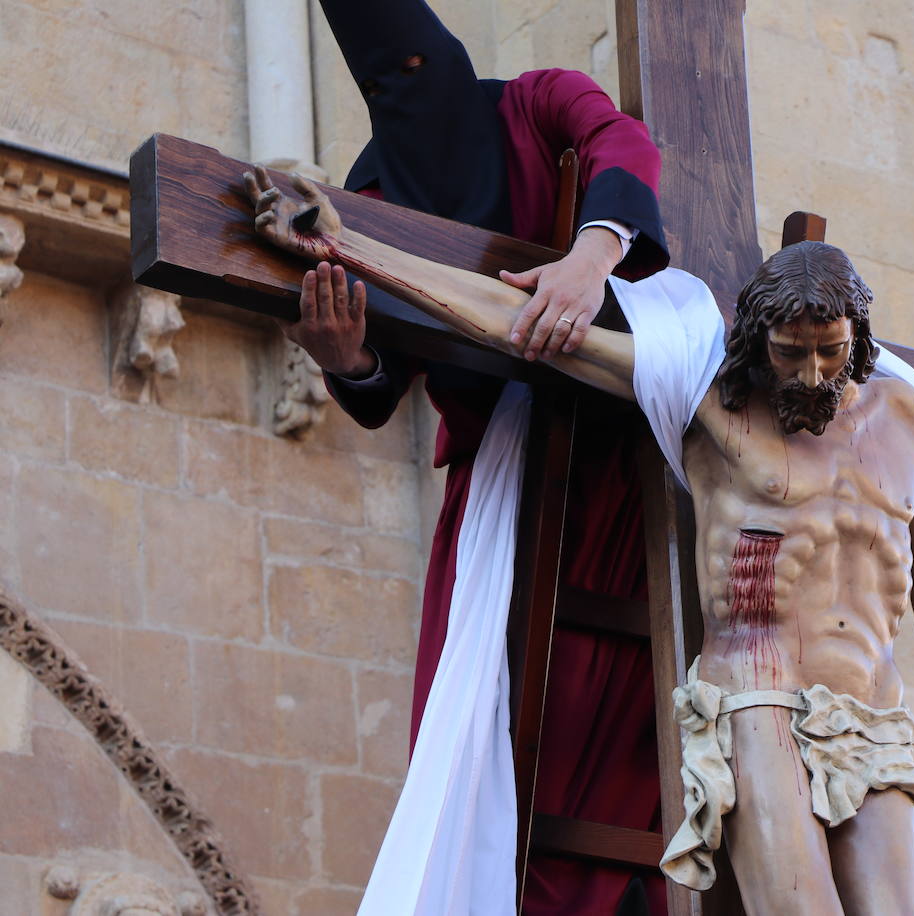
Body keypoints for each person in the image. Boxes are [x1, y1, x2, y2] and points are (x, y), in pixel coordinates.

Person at [245, 171, 914, 914]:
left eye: (830, 352)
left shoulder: (913, 418)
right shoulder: (705, 391)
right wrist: (347, 247)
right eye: (789, 354)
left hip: (874, 701)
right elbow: (521, 326)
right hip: (756, 690)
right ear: (756, 341)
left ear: (858, 337)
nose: (808, 376)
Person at [285, 2, 672, 911]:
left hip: (624, 469)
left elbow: (623, 144)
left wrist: (590, 261)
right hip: (503, 486)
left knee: (637, 726)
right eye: (395, 87)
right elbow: (387, 374)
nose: (417, 95)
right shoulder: (372, 199)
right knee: (494, 737)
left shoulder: (538, 101)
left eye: (424, 72)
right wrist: (350, 361)